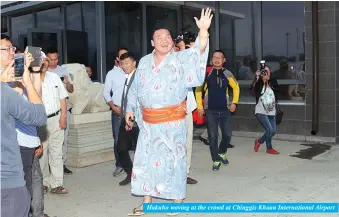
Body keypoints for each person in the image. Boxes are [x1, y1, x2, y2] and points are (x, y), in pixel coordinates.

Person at [125, 8, 212, 216]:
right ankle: (148, 202)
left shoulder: (181, 59)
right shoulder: (144, 62)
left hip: (172, 123)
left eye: (168, 37)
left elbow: (198, 53)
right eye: (159, 37)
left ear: (172, 42)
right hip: (148, 124)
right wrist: (129, 109)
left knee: (174, 161)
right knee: (147, 162)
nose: (164, 40)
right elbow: (135, 89)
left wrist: (203, 33)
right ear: (152, 43)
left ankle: (176, 201)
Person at [1, 37, 47, 217]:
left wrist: (33, 74)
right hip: (8, 173)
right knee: (26, 186)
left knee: (33, 181)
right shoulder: (5, 88)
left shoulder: (8, 83)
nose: (13, 52)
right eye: (8, 49)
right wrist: (25, 80)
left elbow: (27, 99)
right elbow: (38, 114)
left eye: (13, 49)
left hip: (24, 139)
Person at [195, 50, 240, 171]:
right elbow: (198, 90)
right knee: (212, 136)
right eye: (214, 57)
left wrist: (234, 102)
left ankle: (222, 152)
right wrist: (199, 106)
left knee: (227, 135)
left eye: (220, 57)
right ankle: (215, 159)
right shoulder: (206, 74)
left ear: (224, 60)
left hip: (225, 110)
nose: (217, 59)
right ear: (211, 60)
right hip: (210, 111)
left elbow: (236, 88)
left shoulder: (227, 73)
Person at [38, 54, 69, 194]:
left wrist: (63, 117)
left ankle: (57, 184)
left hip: (56, 119)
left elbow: (63, 98)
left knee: (57, 152)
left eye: (45, 60)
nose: (44, 63)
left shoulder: (55, 77)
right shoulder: (31, 80)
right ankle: (43, 182)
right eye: (41, 60)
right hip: (40, 122)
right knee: (42, 154)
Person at [47, 48, 74, 175]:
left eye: (56, 59)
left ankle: (62, 164)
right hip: (47, 111)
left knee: (64, 138)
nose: (53, 62)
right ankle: (48, 166)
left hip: (63, 110)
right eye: (51, 59)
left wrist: (68, 83)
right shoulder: (43, 71)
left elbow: (71, 89)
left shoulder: (63, 71)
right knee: (46, 141)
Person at [175, 33, 198, 185]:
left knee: (187, 143)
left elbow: (194, 68)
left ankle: (185, 173)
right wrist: (183, 49)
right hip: (171, 111)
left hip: (187, 109)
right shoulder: (168, 60)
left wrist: (188, 48)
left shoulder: (189, 59)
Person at [104, 48, 128, 177]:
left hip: (133, 111)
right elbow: (106, 94)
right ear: (117, 59)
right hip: (117, 111)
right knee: (118, 139)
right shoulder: (111, 74)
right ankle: (119, 164)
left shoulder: (134, 72)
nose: (124, 58)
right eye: (122, 56)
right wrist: (114, 107)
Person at [116, 52, 140, 186]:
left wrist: (132, 119)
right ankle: (130, 173)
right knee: (121, 147)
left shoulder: (139, 76)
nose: (124, 66)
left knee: (139, 150)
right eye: (122, 63)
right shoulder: (126, 76)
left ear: (134, 63)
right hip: (125, 117)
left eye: (127, 63)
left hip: (136, 120)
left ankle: (141, 176)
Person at [252, 65, 280, 155]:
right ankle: (266, 146)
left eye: (267, 71)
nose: (265, 73)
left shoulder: (272, 83)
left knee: (273, 131)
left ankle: (263, 144)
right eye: (263, 71)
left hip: (271, 111)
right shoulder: (258, 83)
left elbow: (277, 93)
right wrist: (258, 79)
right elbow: (254, 92)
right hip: (261, 111)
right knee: (269, 130)